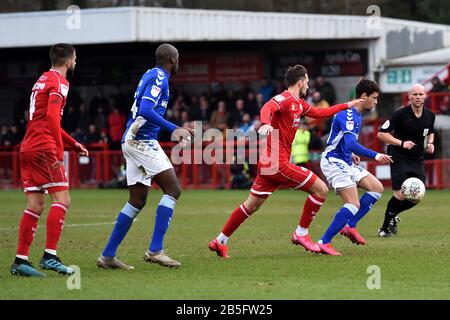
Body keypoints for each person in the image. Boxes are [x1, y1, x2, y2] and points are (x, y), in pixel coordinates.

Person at [208, 65, 364, 258]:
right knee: (321, 189)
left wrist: (348, 104)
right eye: (307, 81)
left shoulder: (299, 103)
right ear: (300, 82)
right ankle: (301, 234)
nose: (308, 85)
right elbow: (268, 107)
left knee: (251, 205)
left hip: (269, 165)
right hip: (278, 164)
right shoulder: (285, 99)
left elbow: (320, 112)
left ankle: (220, 241)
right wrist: (265, 123)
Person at [96, 43, 193, 269]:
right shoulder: (160, 77)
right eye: (178, 59)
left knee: (137, 200)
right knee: (173, 189)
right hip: (141, 141)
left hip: (132, 139)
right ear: (173, 60)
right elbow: (146, 111)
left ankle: (107, 256)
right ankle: (155, 250)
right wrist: (174, 129)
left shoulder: (150, 74)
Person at [10, 43, 88, 277]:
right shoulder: (60, 82)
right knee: (62, 200)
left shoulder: (42, 78)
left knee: (35, 205)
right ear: (68, 61)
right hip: (44, 147)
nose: (75, 62)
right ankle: (50, 256)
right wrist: (57, 149)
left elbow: (45, 118)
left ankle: (20, 261)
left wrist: (73, 144)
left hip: (28, 147)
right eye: (74, 59)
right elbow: (53, 119)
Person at [317, 79, 392, 256]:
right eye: (374, 98)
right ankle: (324, 242)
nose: (376, 102)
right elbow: (350, 143)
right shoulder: (349, 114)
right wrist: (376, 155)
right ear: (364, 96)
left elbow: (342, 140)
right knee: (353, 203)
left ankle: (349, 225)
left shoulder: (357, 114)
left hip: (345, 159)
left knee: (376, 188)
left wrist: (349, 153)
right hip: (333, 161)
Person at [377, 84, 435, 237]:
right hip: (399, 157)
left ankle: (393, 215)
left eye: (420, 94)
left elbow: (431, 132)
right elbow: (381, 134)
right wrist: (402, 143)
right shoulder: (400, 114)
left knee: (417, 196)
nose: (417, 97)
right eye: (414, 94)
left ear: (425, 96)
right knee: (400, 194)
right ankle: (383, 229)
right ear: (409, 96)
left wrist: (430, 143)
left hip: (417, 159)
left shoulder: (430, 115)